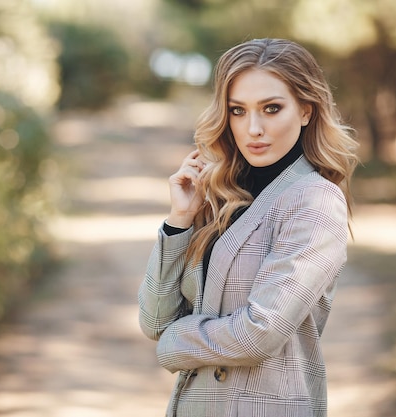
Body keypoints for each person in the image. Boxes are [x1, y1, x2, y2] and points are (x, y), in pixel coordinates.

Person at [138, 38, 359, 417]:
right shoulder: (223, 195)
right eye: (238, 111)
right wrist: (179, 222)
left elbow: (261, 331)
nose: (253, 128)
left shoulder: (316, 201)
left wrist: (176, 342)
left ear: (306, 110)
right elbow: (155, 320)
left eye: (271, 108)